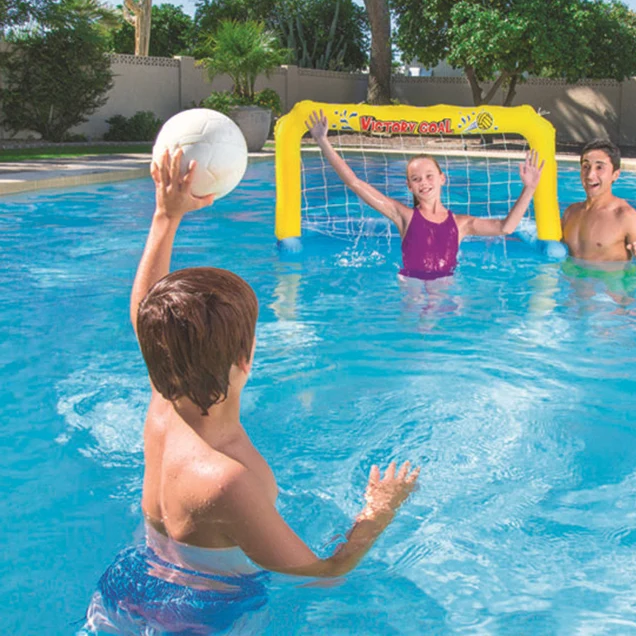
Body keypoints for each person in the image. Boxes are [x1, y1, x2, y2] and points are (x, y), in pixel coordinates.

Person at [86, 149, 419, 633]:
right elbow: (323, 573)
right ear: (244, 362)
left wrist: (166, 215)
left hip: (129, 581)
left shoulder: (164, 404)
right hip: (202, 614)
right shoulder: (226, 480)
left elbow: (145, 313)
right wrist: (378, 510)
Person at [305, 109, 545, 280]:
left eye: (430, 176)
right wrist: (323, 141)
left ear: (442, 179)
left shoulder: (462, 224)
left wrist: (530, 188)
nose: (424, 183)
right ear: (409, 186)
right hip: (409, 283)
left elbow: (506, 227)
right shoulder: (404, 216)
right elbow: (355, 183)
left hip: (446, 284)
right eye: (416, 179)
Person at [561, 139, 636, 275]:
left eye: (600, 167)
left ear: (615, 175)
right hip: (573, 293)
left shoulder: (626, 217)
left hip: (608, 294)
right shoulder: (571, 212)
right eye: (586, 166)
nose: (590, 175)